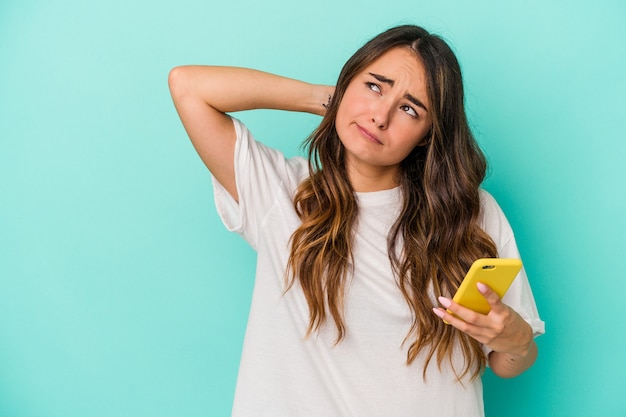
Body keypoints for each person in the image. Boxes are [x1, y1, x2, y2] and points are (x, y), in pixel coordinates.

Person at [168, 24, 544, 417]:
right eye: (374, 86)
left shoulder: (471, 212)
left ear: (426, 136)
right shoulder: (281, 194)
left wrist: (516, 340)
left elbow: (506, 363)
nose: (380, 116)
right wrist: (324, 99)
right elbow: (188, 86)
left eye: (409, 109)